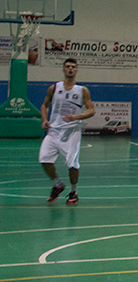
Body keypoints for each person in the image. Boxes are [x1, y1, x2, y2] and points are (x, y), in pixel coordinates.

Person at [39, 58, 95, 205]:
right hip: (54, 131)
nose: (70, 69)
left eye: (73, 67)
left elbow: (91, 110)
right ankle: (57, 185)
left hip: (72, 132)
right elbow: (44, 105)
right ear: (63, 69)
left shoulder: (82, 91)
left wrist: (76, 116)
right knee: (44, 159)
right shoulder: (54, 88)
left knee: (72, 164)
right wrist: (44, 120)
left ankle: (73, 192)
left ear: (76, 71)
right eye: (68, 66)